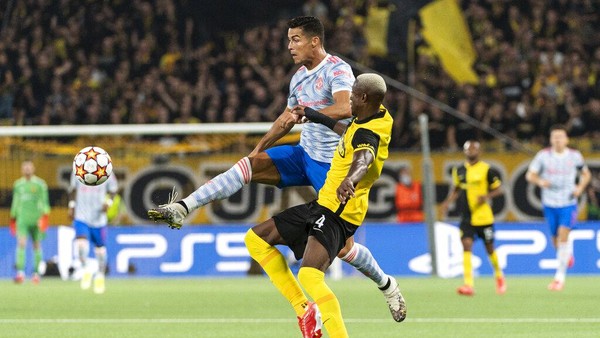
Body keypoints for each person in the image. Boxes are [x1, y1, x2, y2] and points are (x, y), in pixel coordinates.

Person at [148, 16, 404, 321]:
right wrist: (259, 148)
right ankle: (184, 207)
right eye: (288, 39)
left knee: (344, 250)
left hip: (331, 164)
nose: (289, 46)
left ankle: (386, 284)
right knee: (249, 165)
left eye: (295, 39)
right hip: (303, 154)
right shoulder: (298, 78)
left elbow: (346, 108)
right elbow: (287, 118)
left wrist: (310, 112)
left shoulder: (338, 70)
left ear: (314, 41)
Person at [245, 73, 402, 338]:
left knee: (309, 276)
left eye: (353, 93)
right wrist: (317, 116)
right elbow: (349, 133)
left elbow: (364, 157)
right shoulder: (377, 113)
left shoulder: (369, 133)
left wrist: (349, 180)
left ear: (364, 97)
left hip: (339, 211)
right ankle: (305, 310)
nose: (348, 96)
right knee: (255, 239)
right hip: (323, 203)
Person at [526, 125, 591, 291]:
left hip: (568, 203)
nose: (557, 139)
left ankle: (559, 278)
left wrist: (579, 188)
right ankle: (566, 255)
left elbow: (586, 174)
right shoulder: (543, 156)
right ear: (550, 139)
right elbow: (530, 174)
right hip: (550, 203)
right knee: (555, 239)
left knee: (563, 236)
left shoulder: (575, 156)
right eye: (554, 136)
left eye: (560, 136)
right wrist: (541, 181)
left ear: (566, 139)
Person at [440, 140, 506, 296]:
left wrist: (486, 196)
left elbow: (499, 190)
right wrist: (447, 202)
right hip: (466, 216)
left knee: (489, 248)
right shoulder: (459, 170)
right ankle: (468, 284)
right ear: (464, 151)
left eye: (474, 148)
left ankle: (499, 276)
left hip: (483, 217)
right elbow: (457, 189)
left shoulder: (486, 170)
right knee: (466, 245)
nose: (471, 151)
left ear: (479, 151)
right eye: (468, 149)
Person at [68, 173, 118, 294]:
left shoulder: (106, 170)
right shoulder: (79, 167)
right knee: (81, 243)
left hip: (99, 218)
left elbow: (113, 190)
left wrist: (109, 203)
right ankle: (86, 268)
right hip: (81, 216)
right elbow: (72, 189)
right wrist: (71, 206)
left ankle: (100, 275)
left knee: (100, 249)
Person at [10, 160, 50, 284]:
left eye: (29, 167)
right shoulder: (17, 185)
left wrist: (44, 217)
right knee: (21, 243)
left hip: (36, 219)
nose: (27, 169)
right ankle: (20, 273)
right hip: (22, 219)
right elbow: (15, 202)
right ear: (22, 169)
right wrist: (13, 217)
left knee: (36, 244)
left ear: (33, 169)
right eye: (25, 167)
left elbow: (45, 202)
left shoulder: (40, 184)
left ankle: (36, 274)